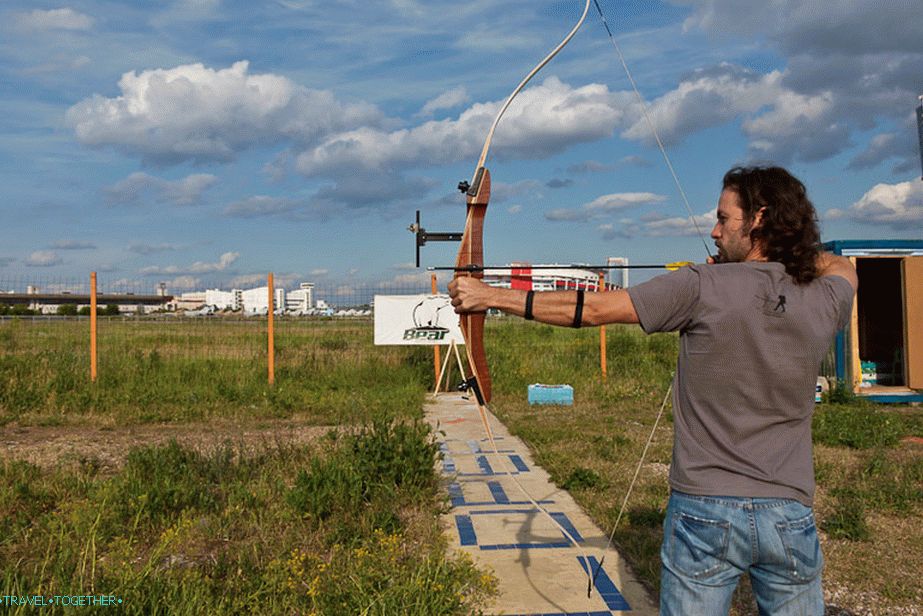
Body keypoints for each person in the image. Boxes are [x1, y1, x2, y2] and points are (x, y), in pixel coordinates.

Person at [448, 165, 857, 615]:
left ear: (759, 219)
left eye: (724, 219)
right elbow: (839, 265)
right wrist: (788, 258)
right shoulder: (826, 298)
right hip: (789, 513)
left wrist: (490, 296)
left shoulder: (701, 285)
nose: (714, 231)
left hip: (705, 509)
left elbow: (593, 309)